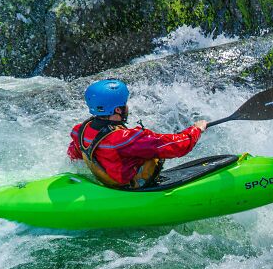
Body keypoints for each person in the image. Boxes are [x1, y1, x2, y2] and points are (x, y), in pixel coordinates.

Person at [67, 79, 208, 189]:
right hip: (131, 187)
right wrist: (196, 129)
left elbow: (74, 153)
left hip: (106, 181)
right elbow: (177, 146)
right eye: (125, 103)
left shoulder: (80, 130)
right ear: (117, 110)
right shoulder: (126, 139)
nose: (127, 107)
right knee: (153, 157)